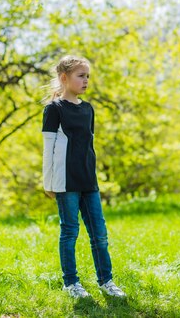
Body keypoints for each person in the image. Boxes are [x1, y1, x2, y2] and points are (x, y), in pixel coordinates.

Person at [42, 55, 126, 299]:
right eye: (81, 75)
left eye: (87, 76)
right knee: (69, 232)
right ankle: (71, 284)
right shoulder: (53, 109)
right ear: (64, 78)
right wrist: (48, 183)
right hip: (65, 182)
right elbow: (49, 149)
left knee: (99, 234)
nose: (86, 80)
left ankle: (106, 281)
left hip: (89, 182)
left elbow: (88, 145)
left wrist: (93, 176)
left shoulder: (88, 109)